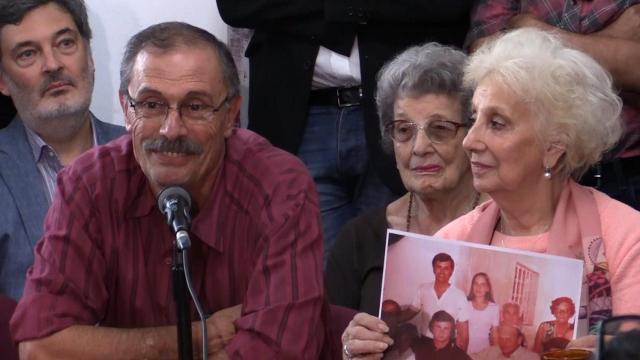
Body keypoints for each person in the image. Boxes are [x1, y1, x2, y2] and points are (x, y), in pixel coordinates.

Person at [10, 21, 325, 359]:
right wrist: (200, 337)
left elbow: (281, 352)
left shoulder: (278, 187)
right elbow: (41, 346)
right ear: (126, 109)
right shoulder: (88, 184)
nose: (171, 129)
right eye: (151, 104)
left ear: (230, 115)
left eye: (195, 106)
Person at [341, 27, 640, 357]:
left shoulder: (626, 237)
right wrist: (365, 351)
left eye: (496, 123)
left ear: (554, 146)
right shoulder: (452, 241)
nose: (470, 141)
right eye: (474, 119)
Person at [216, 0, 474, 260]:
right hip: (297, 115)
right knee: (318, 278)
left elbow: (449, 7)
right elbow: (237, 7)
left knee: (394, 270)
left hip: (404, 112)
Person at [326, 42, 478, 316]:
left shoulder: (511, 227)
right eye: (404, 130)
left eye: (440, 129)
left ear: (473, 134)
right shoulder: (358, 240)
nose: (419, 147)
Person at [0, 0, 124, 300]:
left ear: (90, 55)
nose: (53, 64)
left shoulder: (144, 155)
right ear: (3, 80)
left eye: (65, 43)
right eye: (28, 54)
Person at [465, 0, 640, 210]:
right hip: (532, 174)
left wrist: (533, 30)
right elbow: (483, 59)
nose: (468, 142)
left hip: (628, 173)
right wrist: (613, 42)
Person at [406, 253, 470, 351]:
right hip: (425, 343)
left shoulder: (459, 295)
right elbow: (410, 312)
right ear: (433, 269)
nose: (442, 272)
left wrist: (462, 356)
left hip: (448, 346)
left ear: (451, 271)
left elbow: (464, 332)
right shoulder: (423, 289)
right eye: (439, 267)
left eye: (446, 268)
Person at [466, 272, 499, 354]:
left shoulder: (494, 308)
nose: (478, 287)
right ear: (472, 286)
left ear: (487, 288)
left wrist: (497, 354)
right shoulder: (465, 304)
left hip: (484, 352)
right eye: (476, 284)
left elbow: (495, 335)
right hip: (466, 350)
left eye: (482, 284)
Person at [471, 324, 538, 360]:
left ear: (519, 340)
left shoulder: (531, 357)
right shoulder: (492, 351)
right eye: (501, 339)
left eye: (508, 339)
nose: (504, 343)